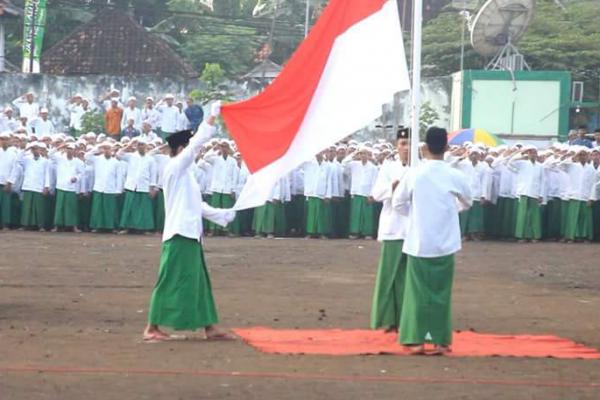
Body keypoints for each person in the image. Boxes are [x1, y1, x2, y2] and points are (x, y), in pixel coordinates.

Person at [143, 102, 237, 342]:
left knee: (198, 281)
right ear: (182, 148)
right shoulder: (174, 167)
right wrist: (211, 119)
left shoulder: (187, 176)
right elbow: (196, 146)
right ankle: (152, 326)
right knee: (170, 279)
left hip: (189, 233)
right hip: (179, 234)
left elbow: (197, 206)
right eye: (189, 148)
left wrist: (221, 214)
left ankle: (210, 327)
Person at [392, 127, 471, 355]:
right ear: (446, 148)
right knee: (441, 292)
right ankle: (440, 341)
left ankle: (415, 340)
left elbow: (398, 203)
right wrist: (448, 212)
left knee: (416, 293)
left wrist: (416, 215)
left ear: (424, 147)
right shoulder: (455, 175)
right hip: (445, 242)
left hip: (419, 241)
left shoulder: (415, 173)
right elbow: (467, 201)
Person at [369, 127, 410, 332]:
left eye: (410, 143)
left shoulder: (420, 168)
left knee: (407, 277)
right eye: (403, 144)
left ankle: (406, 319)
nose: (406, 148)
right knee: (389, 276)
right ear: (397, 146)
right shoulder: (388, 167)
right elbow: (376, 193)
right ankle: (386, 319)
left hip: (413, 230)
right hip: (393, 227)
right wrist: (391, 188)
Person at [116, 137, 158, 234]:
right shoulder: (131, 156)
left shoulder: (150, 159)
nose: (141, 147)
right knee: (129, 208)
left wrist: (152, 188)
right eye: (139, 145)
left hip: (144, 186)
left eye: (142, 145)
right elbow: (118, 155)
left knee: (143, 209)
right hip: (132, 186)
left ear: (146, 146)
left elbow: (153, 174)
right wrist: (129, 145)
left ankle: (144, 229)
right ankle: (127, 228)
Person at [507, 145, 545, 243]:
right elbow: (510, 163)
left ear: (537, 154)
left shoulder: (540, 166)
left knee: (534, 216)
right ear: (527, 154)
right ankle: (521, 236)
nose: (532, 154)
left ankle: (534, 236)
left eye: (534, 153)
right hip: (524, 191)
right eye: (530, 152)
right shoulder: (522, 163)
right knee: (522, 215)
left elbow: (543, 181)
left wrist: (541, 194)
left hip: (535, 193)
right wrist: (520, 154)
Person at [13, 142, 50, 231]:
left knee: (39, 208)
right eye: (33, 149)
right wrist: (25, 149)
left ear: (40, 150)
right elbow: (17, 160)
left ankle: (40, 226)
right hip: (28, 186)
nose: (35, 150)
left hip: (39, 186)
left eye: (37, 148)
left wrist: (46, 186)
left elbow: (47, 174)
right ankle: (24, 225)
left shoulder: (45, 161)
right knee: (27, 207)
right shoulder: (27, 159)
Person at [85, 142, 121, 232]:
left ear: (112, 150)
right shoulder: (97, 159)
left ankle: (111, 227)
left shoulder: (116, 162)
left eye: (109, 148)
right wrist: (98, 147)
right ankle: (97, 226)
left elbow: (119, 177)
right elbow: (87, 156)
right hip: (99, 187)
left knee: (110, 209)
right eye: (105, 149)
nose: (107, 150)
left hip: (110, 188)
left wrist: (118, 189)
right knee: (98, 208)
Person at [49, 143, 85, 232]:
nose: (69, 150)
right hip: (61, 186)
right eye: (68, 149)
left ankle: (73, 226)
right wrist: (59, 146)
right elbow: (50, 154)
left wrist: (76, 178)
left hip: (71, 187)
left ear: (74, 151)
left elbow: (81, 173)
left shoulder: (78, 162)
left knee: (71, 207)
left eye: (71, 149)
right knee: (59, 207)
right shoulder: (60, 159)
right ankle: (57, 226)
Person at [344, 146, 378, 239]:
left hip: (367, 194)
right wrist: (353, 155)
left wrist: (371, 195)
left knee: (367, 215)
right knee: (355, 214)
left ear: (368, 155)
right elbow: (344, 164)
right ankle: (354, 232)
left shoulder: (373, 168)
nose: (363, 155)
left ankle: (367, 233)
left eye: (365, 153)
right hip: (356, 193)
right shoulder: (354, 164)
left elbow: (374, 182)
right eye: (361, 153)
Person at [0, 132, 18, 229]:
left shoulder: (13, 154)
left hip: (6, 183)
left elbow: (15, 170)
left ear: (9, 141)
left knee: (5, 205)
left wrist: (10, 182)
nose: (3, 141)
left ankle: (5, 223)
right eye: (2, 139)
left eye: (6, 139)